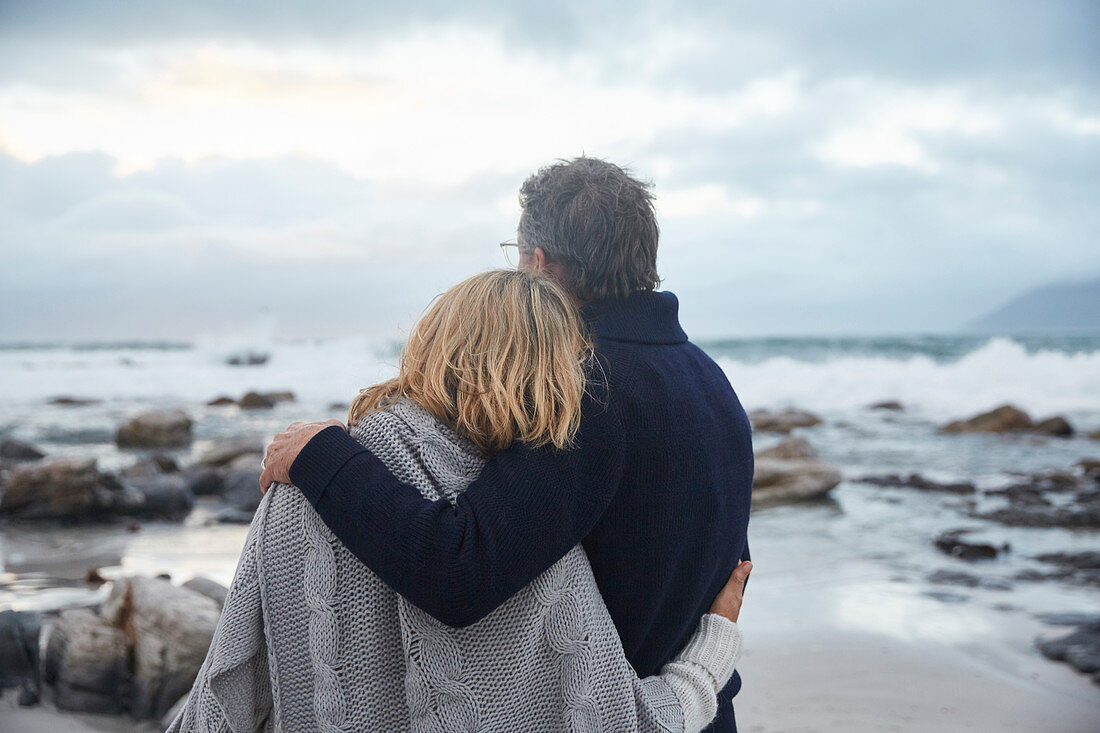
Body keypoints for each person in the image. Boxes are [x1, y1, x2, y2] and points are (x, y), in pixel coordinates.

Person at [261, 157, 755, 731]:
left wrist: (323, 457)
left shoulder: (584, 388)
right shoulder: (711, 381)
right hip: (699, 708)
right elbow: (730, 564)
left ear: (538, 263)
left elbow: (459, 570)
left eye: (515, 254)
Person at [171, 269, 751, 732]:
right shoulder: (534, 550)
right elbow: (634, 722)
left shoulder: (298, 478)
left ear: (431, 343)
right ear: (554, 373)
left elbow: (226, 692)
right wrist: (711, 652)